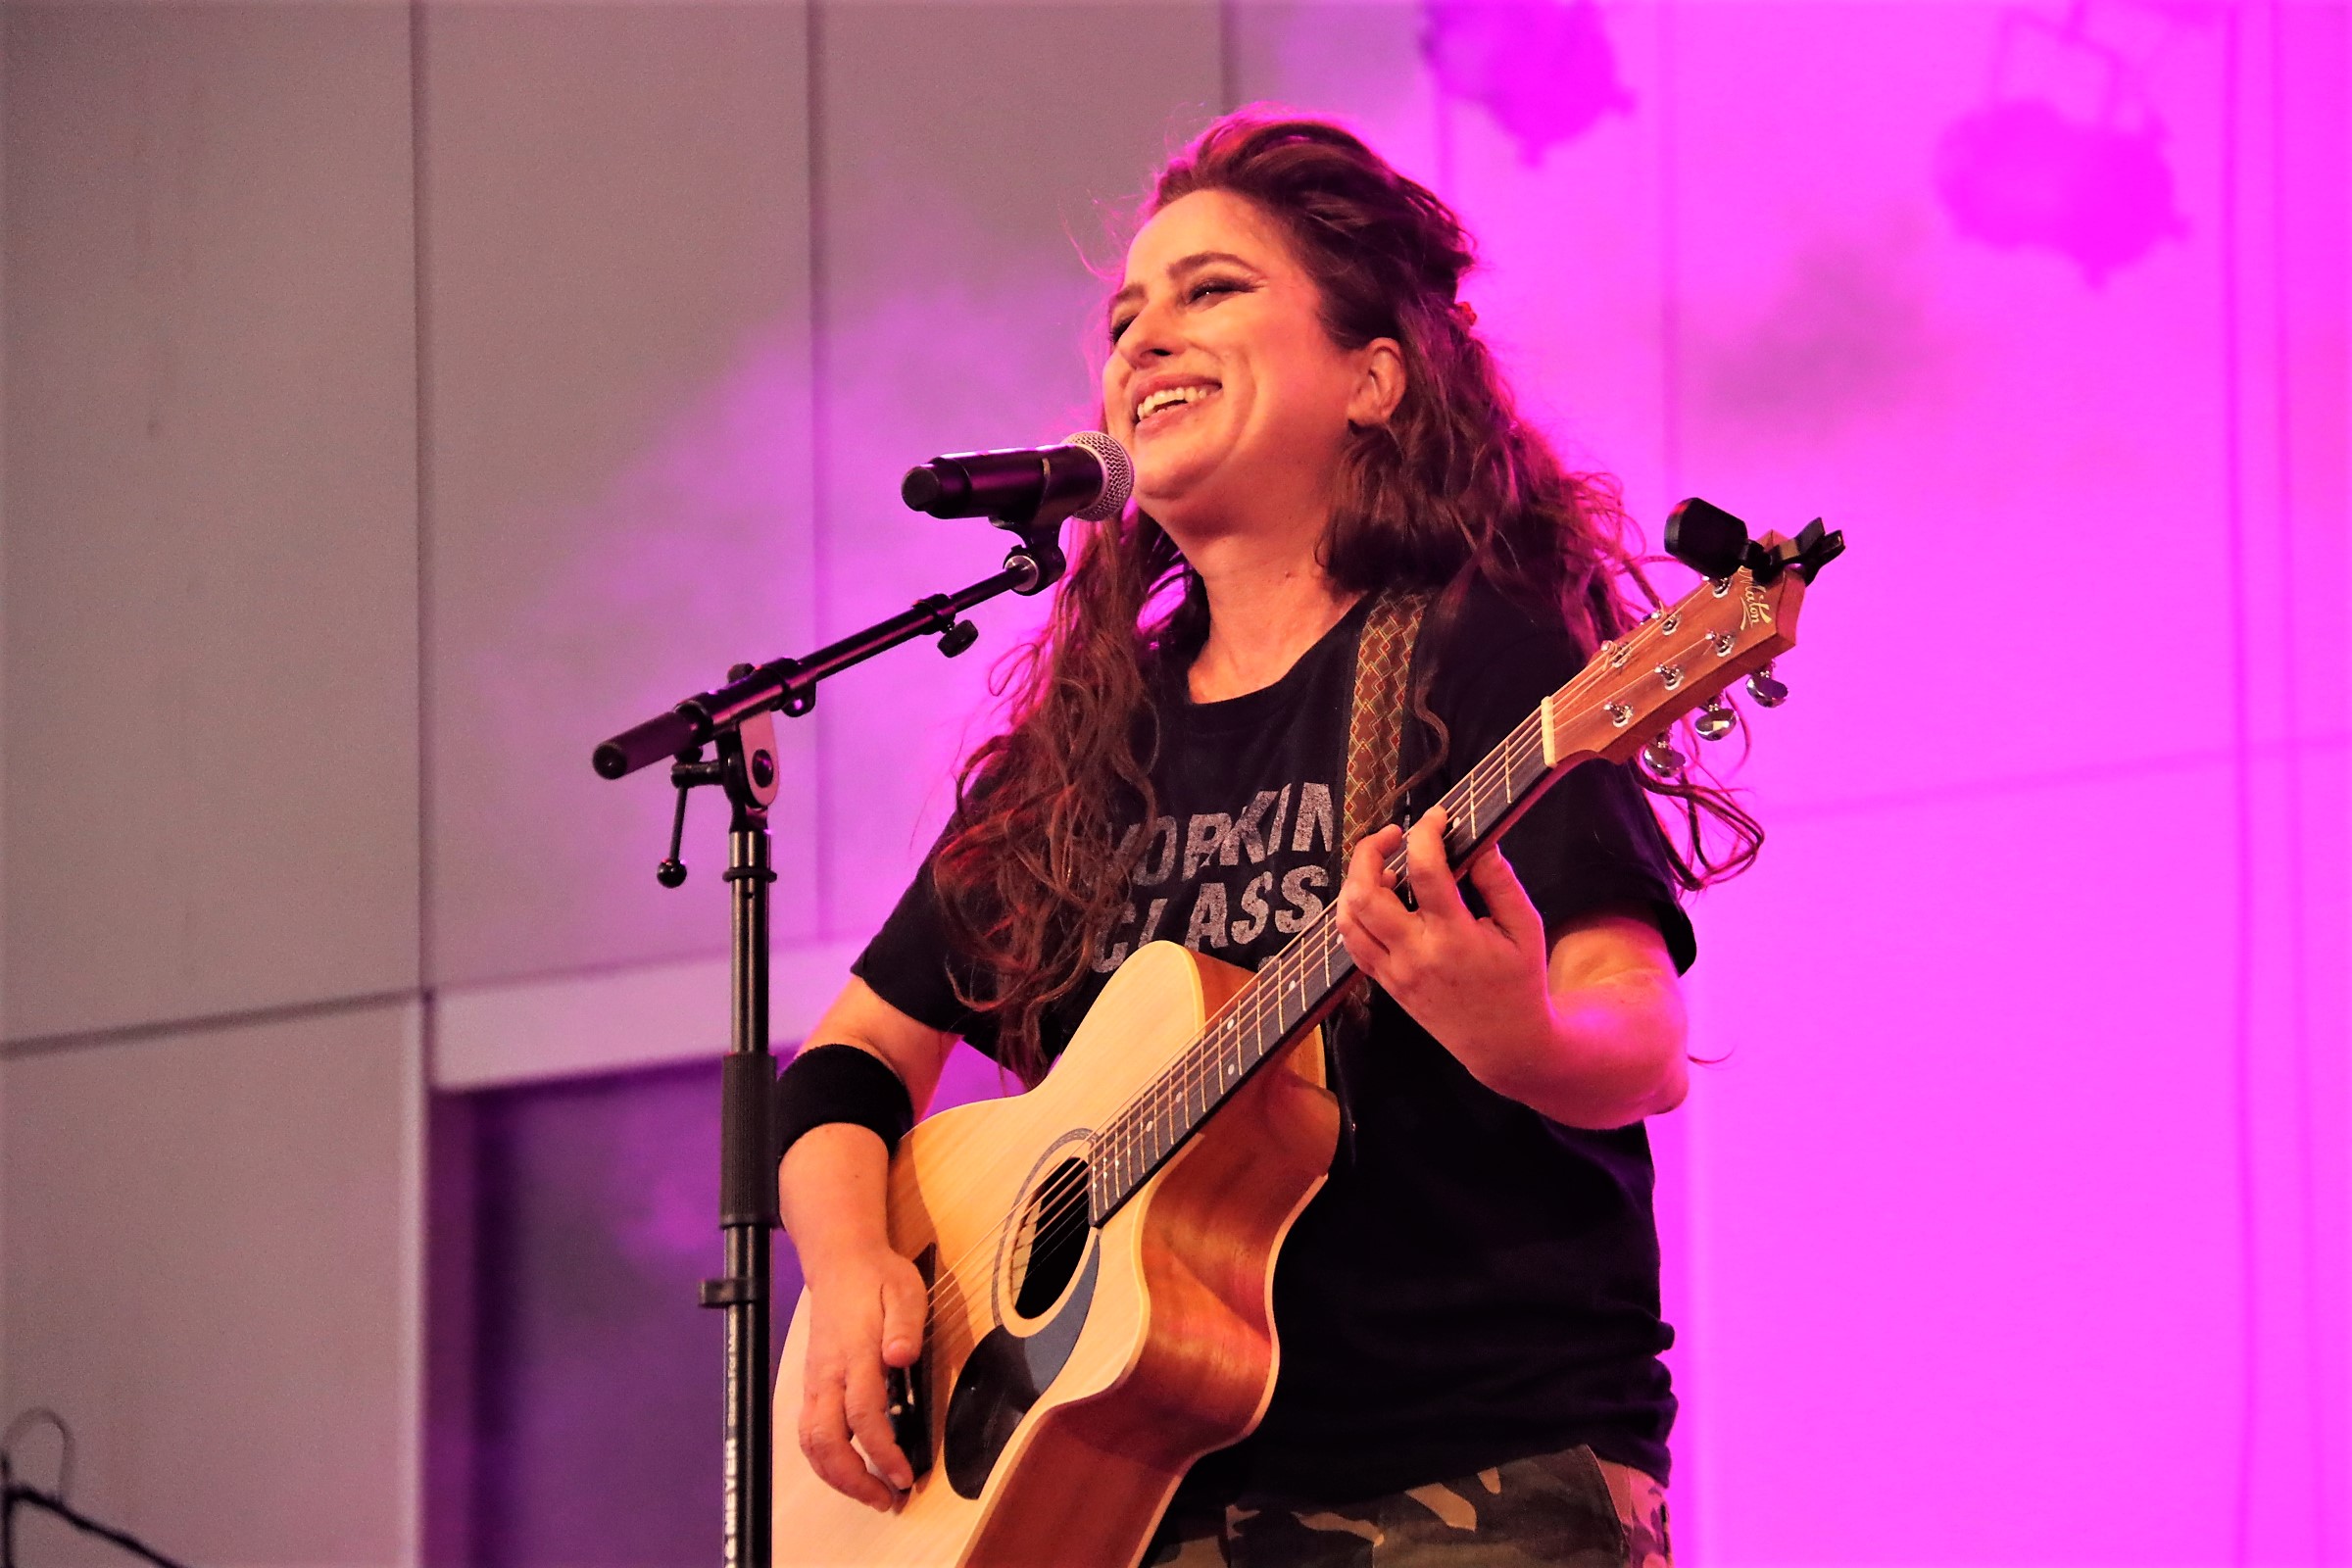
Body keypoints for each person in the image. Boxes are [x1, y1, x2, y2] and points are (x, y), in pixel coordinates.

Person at [772, 113, 1761, 1568]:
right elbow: (852, 1056)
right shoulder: (1090, 745)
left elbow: (1642, 1039)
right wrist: (856, 1262)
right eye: (1127, 316)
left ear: (1372, 378)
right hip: (1133, 1501)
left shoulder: (1479, 662)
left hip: (1471, 1475)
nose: (1144, 339)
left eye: (1213, 289)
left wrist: (1520, 1037)